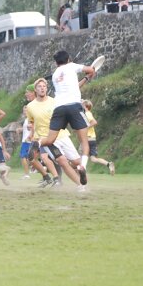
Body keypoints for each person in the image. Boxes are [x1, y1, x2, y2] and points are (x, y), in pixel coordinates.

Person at [39, 50, 95, 187]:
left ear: (56, 62)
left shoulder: (55, 75)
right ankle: (82, 167)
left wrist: (87, 79)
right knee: (84, 142)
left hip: (59, 108)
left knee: (50, 140)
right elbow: (90, 69)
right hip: (75, 107)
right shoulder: (72, 66)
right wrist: (91, 73)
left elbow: (73, 87)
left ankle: (39, 142)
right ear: (69, 59)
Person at [81, 100, 115, 176]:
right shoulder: (89, 113)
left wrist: (85, 127)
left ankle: (82, 175)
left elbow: (94, 122)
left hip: (87, 139)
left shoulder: (86, 114)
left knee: (78, 158)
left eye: (82, 105)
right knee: (93, 159)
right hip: (92, 139)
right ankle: (108, 164)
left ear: (86, 107)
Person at [17, 104, 32, 179]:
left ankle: (27, 174)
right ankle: (27, 173)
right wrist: (21, 129)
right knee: (27, 158)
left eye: (26, 110)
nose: (24, 112)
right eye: (24, 110)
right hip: (26, 140)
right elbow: (27, 129)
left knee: (23, 157)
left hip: (27, 141)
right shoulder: (27, 119)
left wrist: (29, 137)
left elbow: (32, 127)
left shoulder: (30, 119)